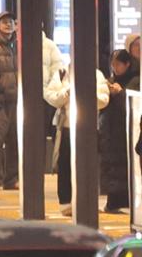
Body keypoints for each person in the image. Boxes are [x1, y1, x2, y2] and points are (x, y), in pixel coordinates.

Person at [44, 57, 110, 208]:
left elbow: (104, 99)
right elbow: (50, 96)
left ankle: (87, 200)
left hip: (88, 127)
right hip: (66, 126)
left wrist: (87, 95)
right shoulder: (62, 74)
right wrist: (67, 93)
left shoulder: (97, 75)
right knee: (65, 164)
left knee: (88, 164)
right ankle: (66, 201)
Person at [104, 50, 138, 213]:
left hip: (128, 132)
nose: (115, 67)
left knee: (124, 166)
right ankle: (114, 202)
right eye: (113, 64)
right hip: (111, 132)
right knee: (112, 166)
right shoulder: (110, 81)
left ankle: (124, 201)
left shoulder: (135, 80)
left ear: (127, 64)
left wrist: (120, 93)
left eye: (118, 64)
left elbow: (133, 104)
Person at [0, 12, 20, 188]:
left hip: (15, 99)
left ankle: (11, 178)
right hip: (0, 99)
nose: (8, 25)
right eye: (4, 22)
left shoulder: (15, 46)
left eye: (11, 22)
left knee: (14, 139)